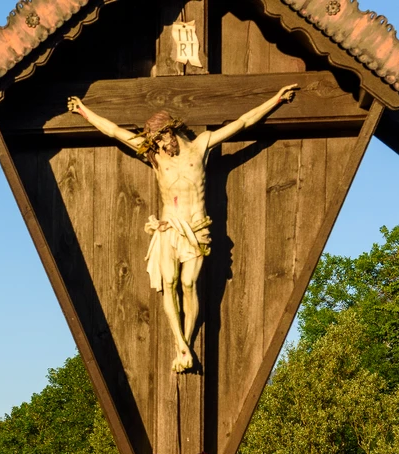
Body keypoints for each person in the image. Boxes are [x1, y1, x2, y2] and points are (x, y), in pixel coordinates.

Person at [66, 84, 298, 372]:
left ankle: (184, 345)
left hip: (196, 229)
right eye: (154, 142)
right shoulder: (155, 157)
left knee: (189, 284)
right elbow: (114, 131)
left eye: (161, 139)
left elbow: (243, 122)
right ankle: (182, 346)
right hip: (167, 230)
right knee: (169, 285)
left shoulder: (201, 146)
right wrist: (84, 112)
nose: (160, 146)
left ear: (170, 131)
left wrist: (276, 98)